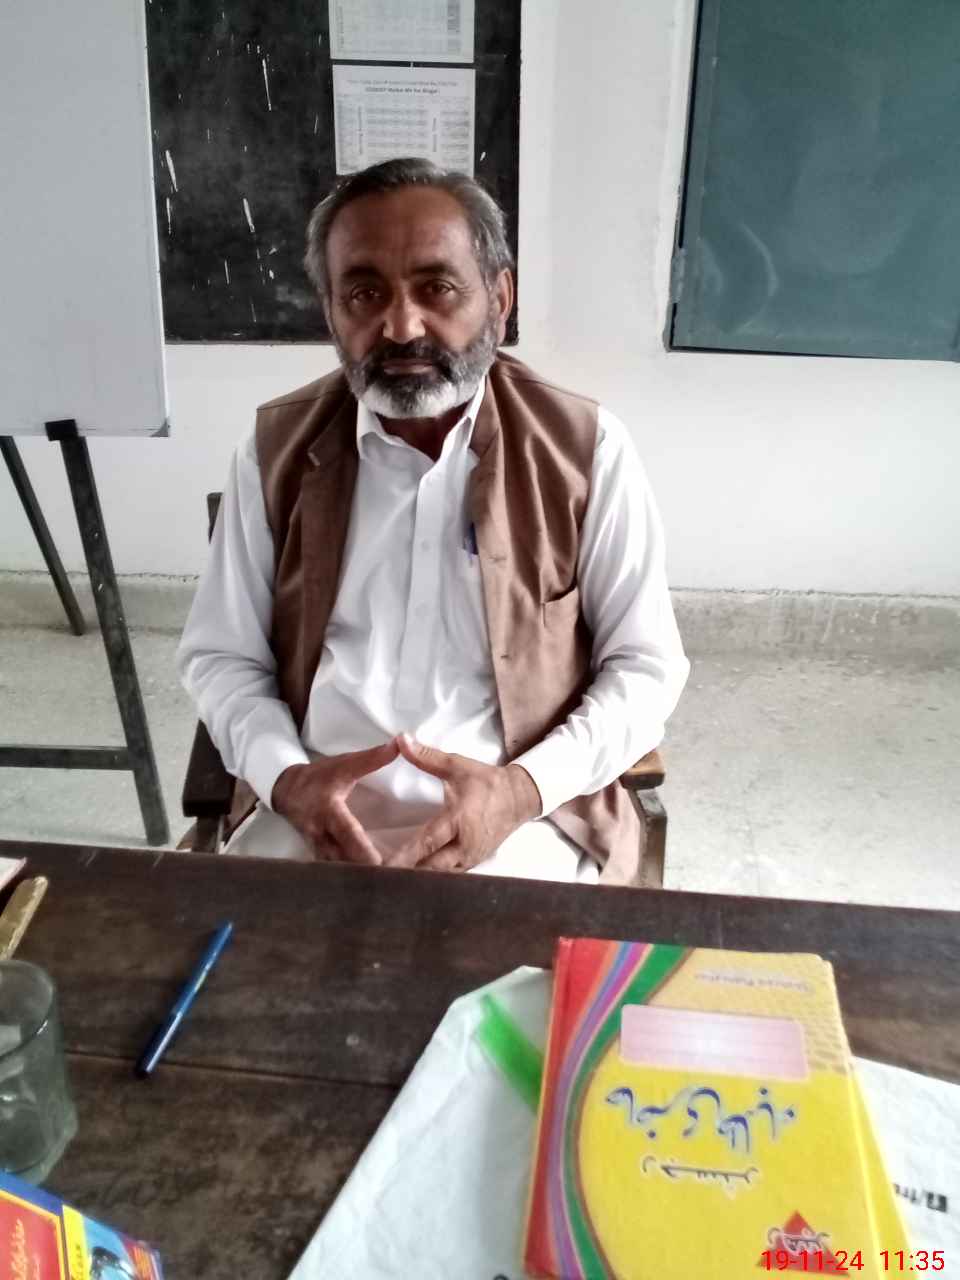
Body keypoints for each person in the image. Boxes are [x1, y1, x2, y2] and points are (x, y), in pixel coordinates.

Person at [177, 157, 688, 885]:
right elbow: (220, 656)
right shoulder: (273, 451)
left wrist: (521, 791)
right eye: (364, 293)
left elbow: (646, 667)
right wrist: (286, 780)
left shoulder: (585, 451)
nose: (401, 325)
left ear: (499, 298)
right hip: (309, 809)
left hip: (523, 816)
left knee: (514, 963)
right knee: (240, 956)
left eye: (437, 287)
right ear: (330, 310)